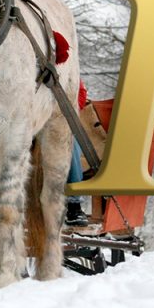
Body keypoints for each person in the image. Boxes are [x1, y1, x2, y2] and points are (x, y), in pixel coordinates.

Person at [65, 80, 89, 226]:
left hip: (59, 117)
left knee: (70, 141)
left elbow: (80, 92)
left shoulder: (69, 69)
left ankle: (74, 206)